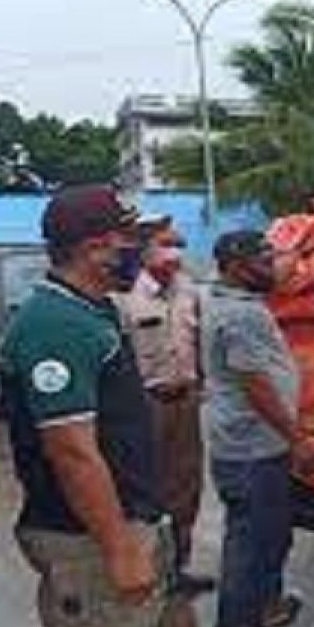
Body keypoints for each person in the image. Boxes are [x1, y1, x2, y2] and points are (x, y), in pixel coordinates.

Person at [0, 185, 167, 627]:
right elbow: (72, 452)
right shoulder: (56, 325)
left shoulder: (90, 312)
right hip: (87, 539)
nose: (140, 251)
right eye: (131, 240)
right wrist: (121, 549)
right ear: (96, 248)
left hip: (109, 526)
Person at [201, 230, 312, 627]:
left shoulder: (233, 297)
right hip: (250, 447)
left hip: (256, 443)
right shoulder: (240, 316)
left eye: (271, 257)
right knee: (250, 542)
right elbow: (257, 387)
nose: (272, 267)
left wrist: (306, 248)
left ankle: (266, 606)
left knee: (272, 535)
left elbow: (281, 275)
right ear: (236, 265)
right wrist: (297, 439)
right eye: (262, 260)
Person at [117, 219, 215, 596]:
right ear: (145, 251)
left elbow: (200, 341)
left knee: (186, 487)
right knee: (146, 491)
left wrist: (202, 386)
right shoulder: (127, 298)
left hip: (185, 402)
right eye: (165, 244)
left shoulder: (189, 292)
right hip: (146, 405)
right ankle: (147, 569)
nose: (175, 251)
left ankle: (179, 568)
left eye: (178, 244)